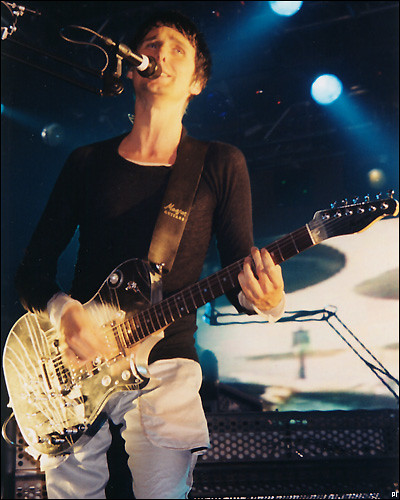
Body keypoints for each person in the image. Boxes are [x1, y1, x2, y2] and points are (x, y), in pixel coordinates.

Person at [14, 10, 285, 499]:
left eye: (178, 49)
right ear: (131, 66)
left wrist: (265, 300)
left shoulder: (220, 163)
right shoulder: (86, 162)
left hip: (166, 368)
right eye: (152, 45)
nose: (161, 53)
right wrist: (64, 312)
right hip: (74, 370)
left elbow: (238, 277)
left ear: (197, 82)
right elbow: (31, 272)